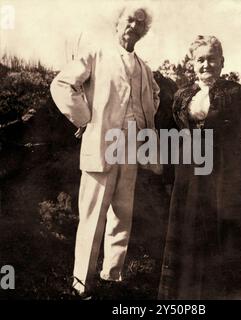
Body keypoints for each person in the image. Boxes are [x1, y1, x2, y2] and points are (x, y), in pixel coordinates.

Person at [158, 35, 241, 299]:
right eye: (200, 59)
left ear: (222, 62)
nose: (206, 64)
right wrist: (169, 176)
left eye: (211, 58)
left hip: (227, 175)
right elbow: (170, 135)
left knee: (225, 237)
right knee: (191, 235)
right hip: (189, 176)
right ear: (192, 63)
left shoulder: (240, 95)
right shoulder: (182, 96)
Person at [50, 5, 160, 297]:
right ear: (117, 24)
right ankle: (81, 285)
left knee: (122, 215)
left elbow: (154, 97)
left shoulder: (144, 68)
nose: (134, 26)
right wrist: (86, 119)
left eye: (140, 24)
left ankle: (112, 277)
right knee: (93, 216)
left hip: (131, 148)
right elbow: (62, 84)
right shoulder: (96, 54)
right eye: (129, 20)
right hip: (101, 145)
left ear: (144, 32)